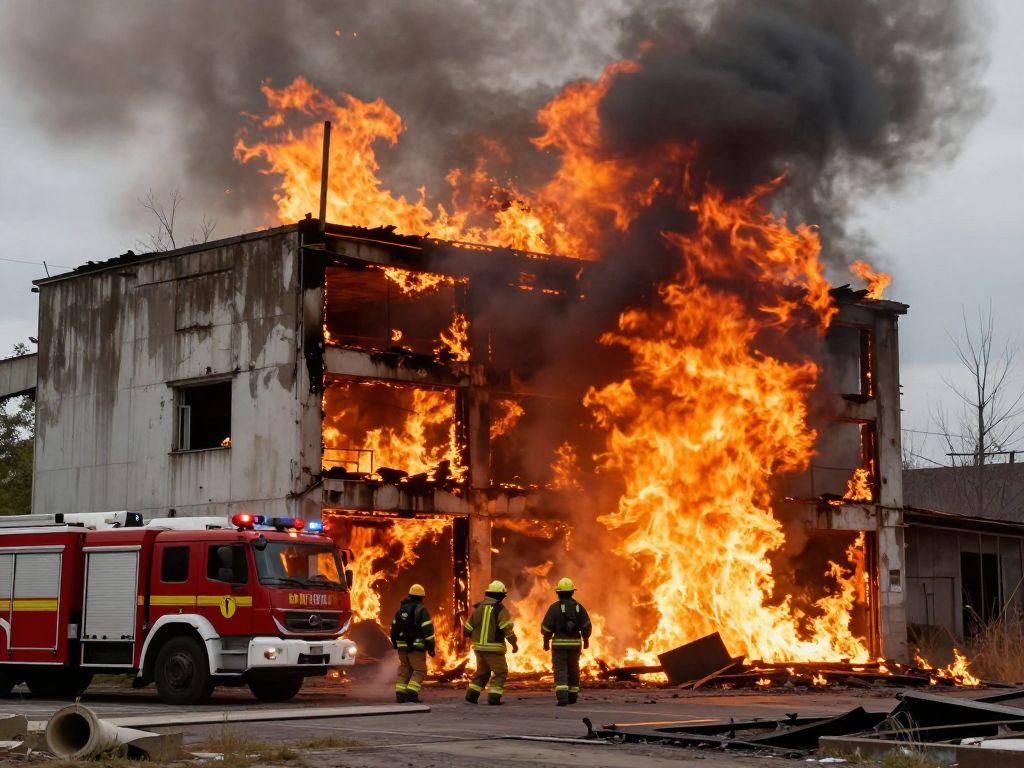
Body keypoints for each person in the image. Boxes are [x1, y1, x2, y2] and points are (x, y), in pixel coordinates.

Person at [464, 579, 518, 705]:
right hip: (494, 649)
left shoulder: (478, 609)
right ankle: (494, 698)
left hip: (478, 649)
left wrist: (474, 637)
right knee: (500, 672)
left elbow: (467, 629)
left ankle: (471, 695)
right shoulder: (500, 610)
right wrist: (514, 644)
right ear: (500, 596)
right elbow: (507, 630)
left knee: (482, 672)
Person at [541, 576, 592, 706]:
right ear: (572, 592)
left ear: (558, 593)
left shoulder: (554, 608)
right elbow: (586, 625)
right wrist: (586, 639)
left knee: (561, 670)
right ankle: (573, 696)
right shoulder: (579, 608)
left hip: (559, 646)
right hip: (575, 645)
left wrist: (546, 641)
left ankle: (563, 698)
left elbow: (546, 627)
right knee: (574, 669)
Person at [390, 584, 435, 703]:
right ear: (422, 598)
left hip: (402, 646)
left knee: (405, 669)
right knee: (419, 670)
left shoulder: (401, 610)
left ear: (409, 595)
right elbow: (427, 630)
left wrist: (395, 643)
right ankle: (411, 692)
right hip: (416, 647)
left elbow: (394, 629)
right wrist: (431, 646)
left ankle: (400, 694)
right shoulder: (421, 610)